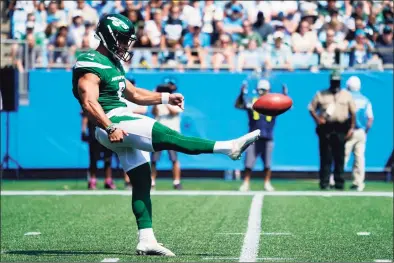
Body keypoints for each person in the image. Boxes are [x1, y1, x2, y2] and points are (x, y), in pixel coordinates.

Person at [72, 14, 260, 256]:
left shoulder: (114, 63)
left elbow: (134, 94)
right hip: (113, 120)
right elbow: (89, 102)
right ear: (108, 36)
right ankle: (228, 147)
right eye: (121, 39)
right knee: (170, 136)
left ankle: (146, 239)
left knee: (141, 181)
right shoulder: (90, 62)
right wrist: (110, 126)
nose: (125, 45)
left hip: (116, 121)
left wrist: (164, 97)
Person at [308, 70, 356, 190]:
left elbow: (353, 113)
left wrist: (351, 128)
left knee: (339, 157)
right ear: (330, 81)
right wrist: (318, 119)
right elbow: (311, 108)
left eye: (337, 82)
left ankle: (339, 182)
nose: (336, 84)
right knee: (326, 157)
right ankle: (324, 182)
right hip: (326, 129)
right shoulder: (321, 94)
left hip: (341, 128)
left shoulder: (346, 95)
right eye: (334, 82)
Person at [330, 76, 373, 191]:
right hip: (361, 132)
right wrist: (365, 131)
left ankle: (334, 179)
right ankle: (358, 182)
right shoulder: (365, 99)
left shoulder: (346, 98)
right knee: (359, 158)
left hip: (348, 131)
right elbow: (370, 118)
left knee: (342, 157)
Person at [235, 79, 280, 192]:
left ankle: (267, 183)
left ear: (268, 90)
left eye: (264, 90)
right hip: (253, 137)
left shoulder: (273, 103)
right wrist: (241, 94)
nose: (262, 92)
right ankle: (246, 183)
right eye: (260, 90)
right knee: (249, 163)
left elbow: (286, 105)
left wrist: (285, 95)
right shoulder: (252, 101)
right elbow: (238, 105)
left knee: (267, 164)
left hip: (268, 137)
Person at [151, 78, 183, 190]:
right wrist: (158, 98)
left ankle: (176, 181)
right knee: (154, 159)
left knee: (174, 158)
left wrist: (166, 100)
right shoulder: (159, 99)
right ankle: (152, 182)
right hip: (159, 132)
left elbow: (174, 112)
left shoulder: (178, 98)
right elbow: (154, 112)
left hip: (172, 132)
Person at [81, 111, 116, 190]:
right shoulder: (90, 100)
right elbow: (85, 115)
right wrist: (83, 131)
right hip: (94, 133)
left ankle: (108, 180)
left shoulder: (107, 101)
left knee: (108, 158)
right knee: (93, 159)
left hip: (107, 133)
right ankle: (92, 181)